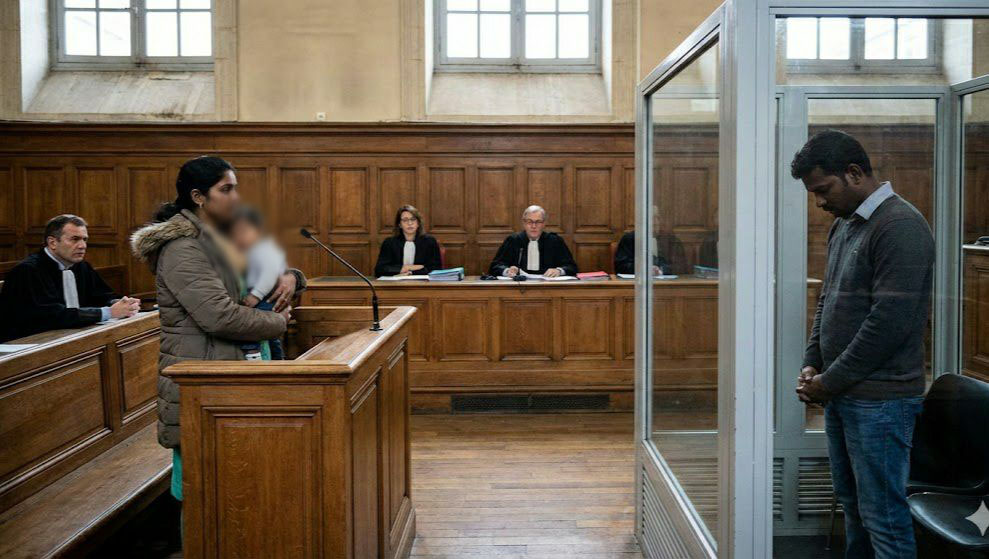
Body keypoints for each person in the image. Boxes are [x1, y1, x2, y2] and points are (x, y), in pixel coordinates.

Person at [130, 155, 307, 510]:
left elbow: (264, 273)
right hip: (204, 379)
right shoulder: (182, 248)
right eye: (226, 189)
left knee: (241, 487)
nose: (236, 197)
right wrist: (278, 322)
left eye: (235, 188)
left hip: (235, 371)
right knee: (204, 494)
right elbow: (219, 317)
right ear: (198, 197)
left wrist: (291, 276)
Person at [793, 130, 933, 559]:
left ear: (854, 173)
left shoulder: (900, 226)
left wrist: (829, 381)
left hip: (881, 401)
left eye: (823, 189)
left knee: (883, 518)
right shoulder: (845, 224)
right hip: (845, 393)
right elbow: (828, 299)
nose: (819, 202)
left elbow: (888, 324)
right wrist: (813, 363)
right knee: (853, 507)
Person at [0, 214, 140, 342]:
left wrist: (121, 303)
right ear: (52, 243)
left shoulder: (81, 266)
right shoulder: (28, 271)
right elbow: (53, 316)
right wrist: (109, 312)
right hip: (28, 343)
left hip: (68, 337)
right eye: (75, 239)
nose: (82, 246)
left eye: (84, 239)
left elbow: (101, 295)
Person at [229, 206, 288, 360]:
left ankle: (253, 356)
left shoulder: (265, 248)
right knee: (270, 336)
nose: (239, 236)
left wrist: (256, 295)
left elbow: (270, 274)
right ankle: (277, 360)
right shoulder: (249, 249)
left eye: (244, 231)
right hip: (257, 293)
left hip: (265, 296)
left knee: (251, 330)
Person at [489, 205, 577, 278]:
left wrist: (558, 271)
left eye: (538, 222)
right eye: (529, 222)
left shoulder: (555, 241)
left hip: (548, 287)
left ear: (544, 224)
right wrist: (508, 271)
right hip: (518, 288)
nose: (533, 226)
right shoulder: (513, 240)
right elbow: (495, 267)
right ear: (524, 223)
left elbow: (571, 267)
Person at [374, 205, 442, 277]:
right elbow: (379, 270)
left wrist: (411, 273)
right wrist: (406, 268)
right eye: (405, 220)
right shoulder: (389, 243)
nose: (409, 223)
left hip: (422, 282)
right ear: (399, 224)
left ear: (418, 223)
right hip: (396, 282)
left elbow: (436, 269)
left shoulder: (430, 242)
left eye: (413, 219)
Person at [613, 206, 671, 275]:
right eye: (651, 218)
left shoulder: (668, 239)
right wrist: (644, 269)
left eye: (657, 218)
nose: (655, 222)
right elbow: (621, 267)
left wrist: (660, 270)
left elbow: (677, 266)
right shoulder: (629, 239)